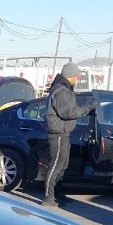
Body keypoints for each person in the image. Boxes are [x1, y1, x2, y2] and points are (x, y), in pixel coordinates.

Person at [43, 62, 97, 208]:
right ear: (72, 76)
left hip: (64, 133)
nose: (78, 78)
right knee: (56, 165)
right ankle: (49, 198)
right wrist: (88, 108)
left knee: (63, 166)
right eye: (77, 76)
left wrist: (87, 109)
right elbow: (68, 113)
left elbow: (70, 110)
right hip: (58, 134)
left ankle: (58, 195)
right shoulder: (61, 91)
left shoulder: (64, 89)